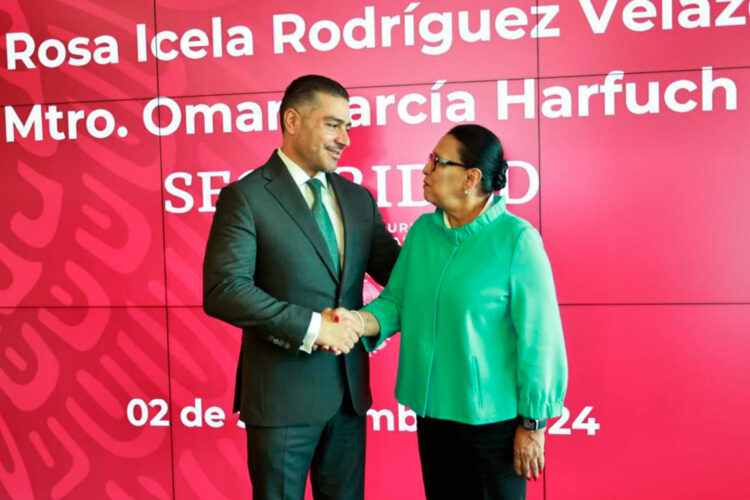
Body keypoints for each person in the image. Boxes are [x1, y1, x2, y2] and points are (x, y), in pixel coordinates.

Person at [336, 124, 568, 499]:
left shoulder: (517, 240)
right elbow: (397, 302)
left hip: (495, 425)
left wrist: (533, 423)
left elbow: (540, 341)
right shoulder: (424, 232)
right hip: (434, 419)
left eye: (437, 161)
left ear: (470, 178)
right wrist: (356, 321)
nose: (425, 170)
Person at [202, 74, 400, 500]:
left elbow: (401, 276)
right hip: (280, 400)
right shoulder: (247, 196)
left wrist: (462, 238)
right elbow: (224, 289)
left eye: (348, 126)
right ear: (292, 120)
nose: (345, 138)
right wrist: (313, 327)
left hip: (348, 399)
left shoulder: (358, 199)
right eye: (333, 124)